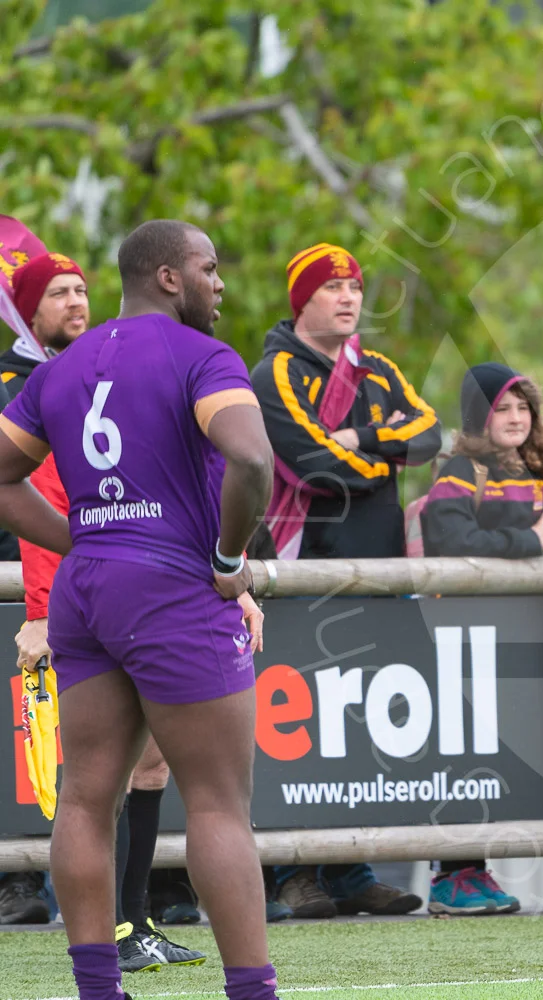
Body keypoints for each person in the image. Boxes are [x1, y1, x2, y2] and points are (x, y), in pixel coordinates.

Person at [0, 219, 278, 1000]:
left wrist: (91, 537)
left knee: (87, 797)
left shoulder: (61, 367)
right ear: (166, 276)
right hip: (172, 588)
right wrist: (227, 560)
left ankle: (98, 991)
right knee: (220, 805)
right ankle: (254, 992)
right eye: (209, 267)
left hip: (89, 593)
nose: (219, 283)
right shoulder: (203, 357)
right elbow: (253, 459)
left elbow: (2, 474)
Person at [3, 252, 212, 969]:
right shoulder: (37, 381)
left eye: (82, 289)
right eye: (58, 293)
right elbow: (51, 499)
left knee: (149, 766)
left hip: (126, 577)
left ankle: (133, 921)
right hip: (85, 593)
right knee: (95, 780)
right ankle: (106, 936)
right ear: (27, 313)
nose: (76, 302)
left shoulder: (117, 365)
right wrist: (39, 604)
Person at [250, 243, 432, 919]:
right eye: (333, 288)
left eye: (354, 286)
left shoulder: (377, 368)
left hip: (375, 563)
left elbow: (430, 432)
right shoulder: (274, 374)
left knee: (357, 720)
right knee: (299, 721)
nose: (350, 298)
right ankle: (291, 874)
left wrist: (364, 438)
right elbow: (307, 464)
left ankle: (350, 868)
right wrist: (381, 454)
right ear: (303, 300)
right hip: (301, 565)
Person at [420, 361, 543, 912]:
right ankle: (453, 875)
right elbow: (450, 538)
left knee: (505, 754)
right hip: (462, 631)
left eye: (522, 406)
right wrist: (533, 538)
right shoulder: (460, 467)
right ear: (479, 416)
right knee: (465, 752)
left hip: (521, 632)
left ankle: (481, 871)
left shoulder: (542, 464)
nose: (516, 417)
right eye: (502, 407)